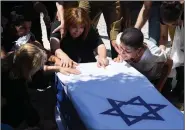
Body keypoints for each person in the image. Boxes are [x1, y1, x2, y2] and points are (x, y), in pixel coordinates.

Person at [1, 43, 80, 129]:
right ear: (29, 68)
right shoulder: (13, 83)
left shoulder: (16, 57)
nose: (39, 68)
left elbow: (42, 69)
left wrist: (58, 68)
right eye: (37, 66)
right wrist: (36, 123)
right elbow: (25, 105)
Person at [159, 1, 184, 110]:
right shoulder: (165, 14)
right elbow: (163, 37)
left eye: (173, 24)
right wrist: (162, 52)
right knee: (173, 63)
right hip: (179, 40)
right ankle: (174, 90)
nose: (171, 27)